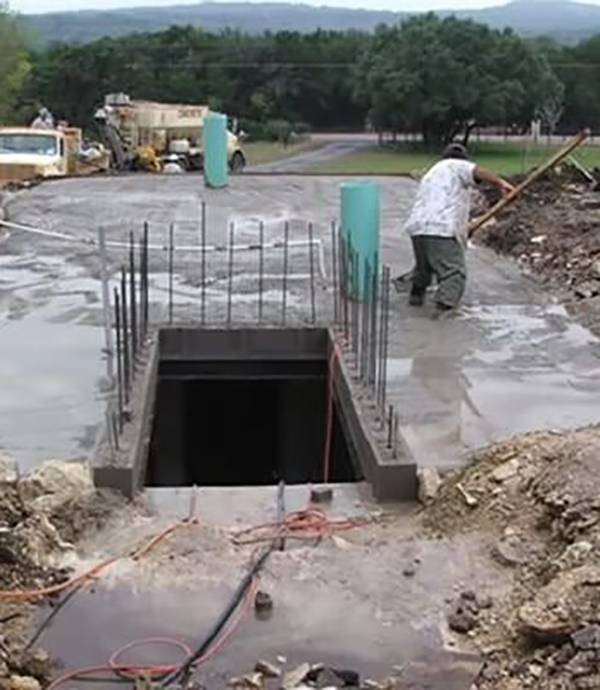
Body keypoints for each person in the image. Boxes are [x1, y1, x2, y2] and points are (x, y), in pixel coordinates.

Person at [404, 142, 515, 318]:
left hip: (418, 228)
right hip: (441, 228)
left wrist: (464, 229)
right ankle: (443, 311)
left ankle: (415, 298)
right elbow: (477, 171)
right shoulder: (455, 165)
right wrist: (500, 183)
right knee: (454, 272)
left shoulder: (432, 173)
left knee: (424, 269)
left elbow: (443, 202)